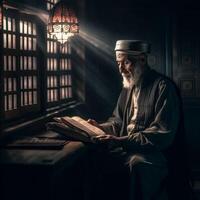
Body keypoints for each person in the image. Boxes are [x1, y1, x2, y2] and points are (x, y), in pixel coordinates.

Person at [87, 40, 192, 200]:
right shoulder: (128, 87)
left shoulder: (163, 87)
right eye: (118, 63)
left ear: (142, 60)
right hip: (126, 147)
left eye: (126, 62)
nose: (121, 69)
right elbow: (117, 121)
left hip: (155, 153)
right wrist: (99, 127)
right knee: (94, 160)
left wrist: (121, 141)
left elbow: (161, 134)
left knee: (137, 164)